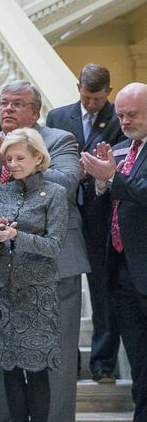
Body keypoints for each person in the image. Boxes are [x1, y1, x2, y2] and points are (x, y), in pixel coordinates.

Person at [0, 80, 85, 422]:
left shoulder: (58, 140)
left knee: (54, 362)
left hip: (51, 269)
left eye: (16, 104)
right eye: (3, 103)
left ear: (35, 111)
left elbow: (66, 183)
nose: (7, 109)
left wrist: (22, 162)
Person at [0, 128, 68, 422]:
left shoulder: (55, 193)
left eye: (19, 158)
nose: (13, 164)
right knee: (9, 368)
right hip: (2, 292)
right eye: (8, 159)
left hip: (37, 294)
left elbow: (54, 246)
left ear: (37, 158)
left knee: (37, 369)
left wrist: (17, 236)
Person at [46, 63, 125, 384]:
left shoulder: (119, 120)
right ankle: (60, 360)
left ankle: (103, 364)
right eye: (86, 96)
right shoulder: (58, 117)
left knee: (103, 291)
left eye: (97, 98)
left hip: (101, 214)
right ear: (78, 87)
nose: (92, 104)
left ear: (109, 91)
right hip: (62, 213)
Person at [80, 82, 147, 420]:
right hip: (121, 269)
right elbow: (110, 204)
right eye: (120, 115)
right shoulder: (122, 149)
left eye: (131, 114)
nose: (124, 121)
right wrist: (102, 182)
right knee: (137, 355)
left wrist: (113, 177)